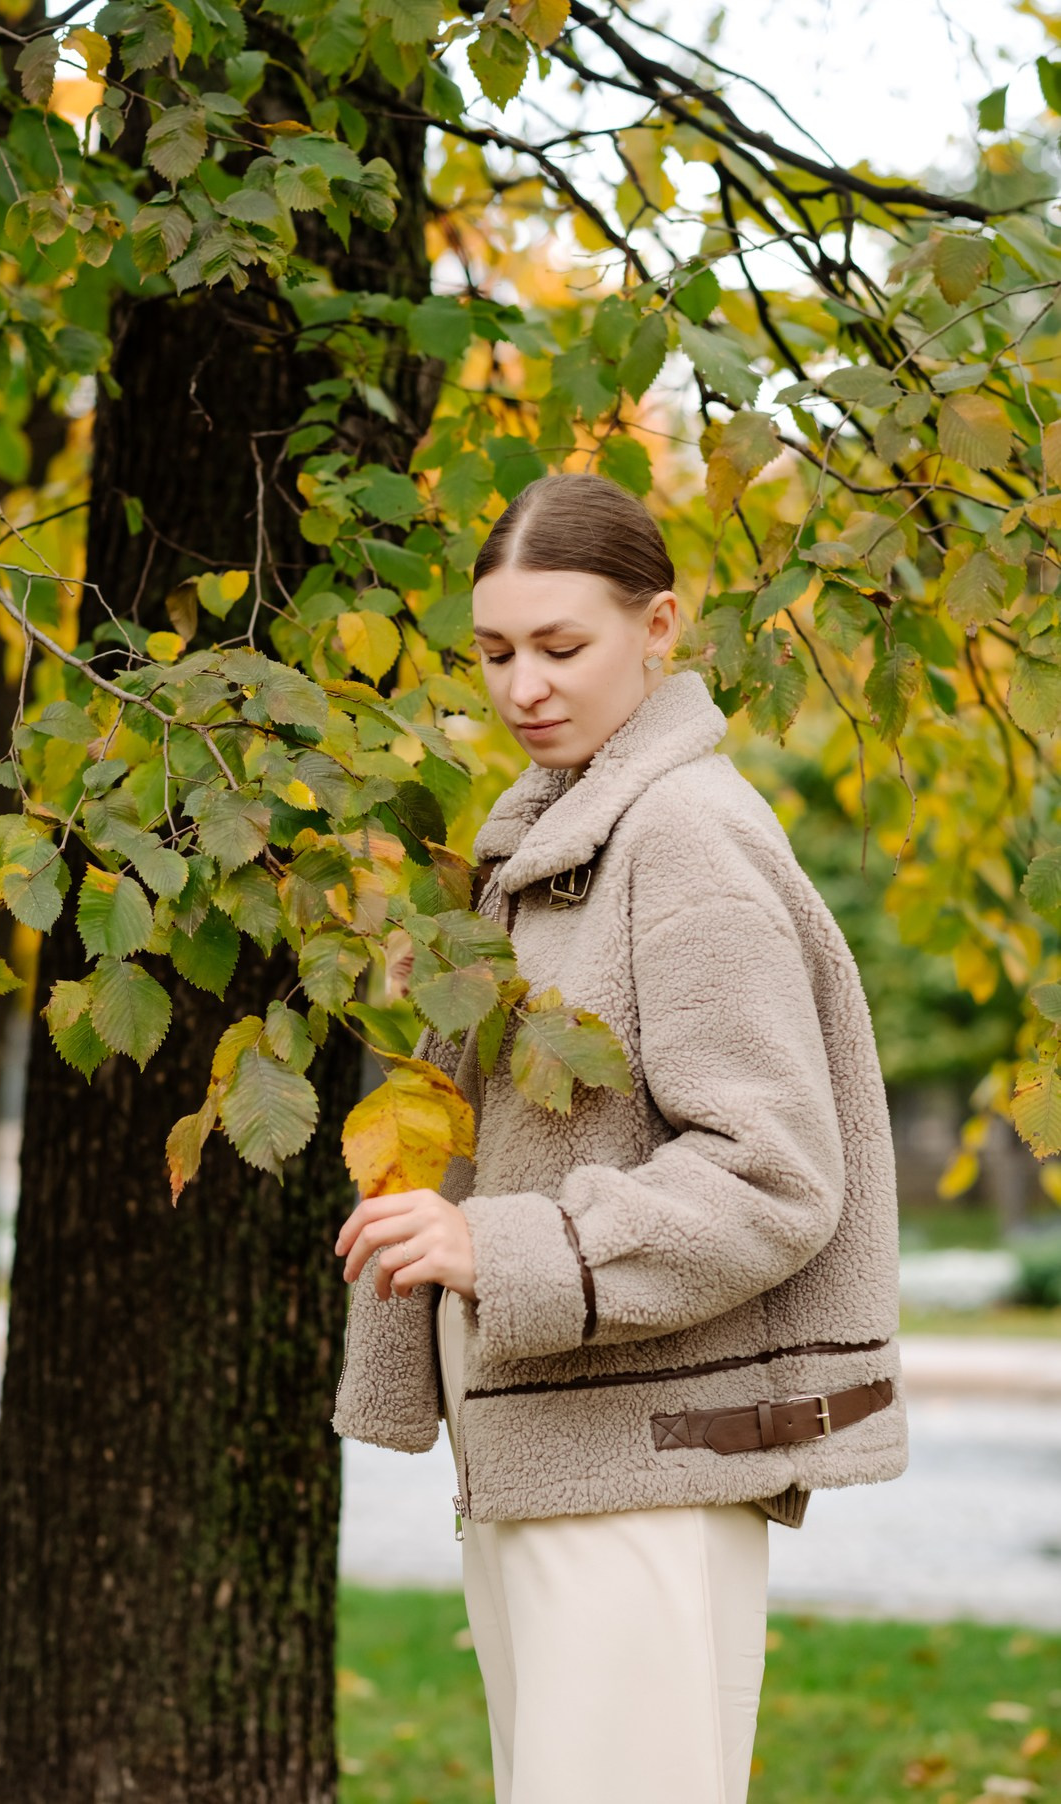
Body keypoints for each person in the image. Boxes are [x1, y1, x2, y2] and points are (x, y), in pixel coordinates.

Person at [332, 471, 908, 1804]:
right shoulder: (555, 841)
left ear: (658, 630)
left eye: (561, 645)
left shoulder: (684, 838)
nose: (523, 683)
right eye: (495, 652)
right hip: (558, 1449)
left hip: (647, 1461)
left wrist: (499, 1243)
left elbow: (773, 1175)